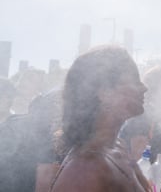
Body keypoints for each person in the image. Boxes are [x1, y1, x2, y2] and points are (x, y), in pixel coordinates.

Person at [49, 45, 152, 192]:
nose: (144, 88)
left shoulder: (117, 146)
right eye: (135, 80)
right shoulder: (84, 171)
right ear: (105, 93)